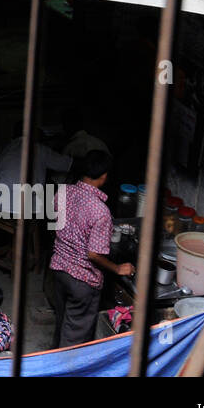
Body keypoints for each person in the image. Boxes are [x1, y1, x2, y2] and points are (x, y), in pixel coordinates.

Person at [49, 148, 133, 347]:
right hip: (82, 280)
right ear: (104, 177)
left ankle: (49, 364)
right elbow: (93, 254)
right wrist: (118, 268)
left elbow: (55, 224)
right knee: (73, 339)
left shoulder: (62, 192)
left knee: (62, 323)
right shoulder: (100, 211)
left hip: (59, 269)